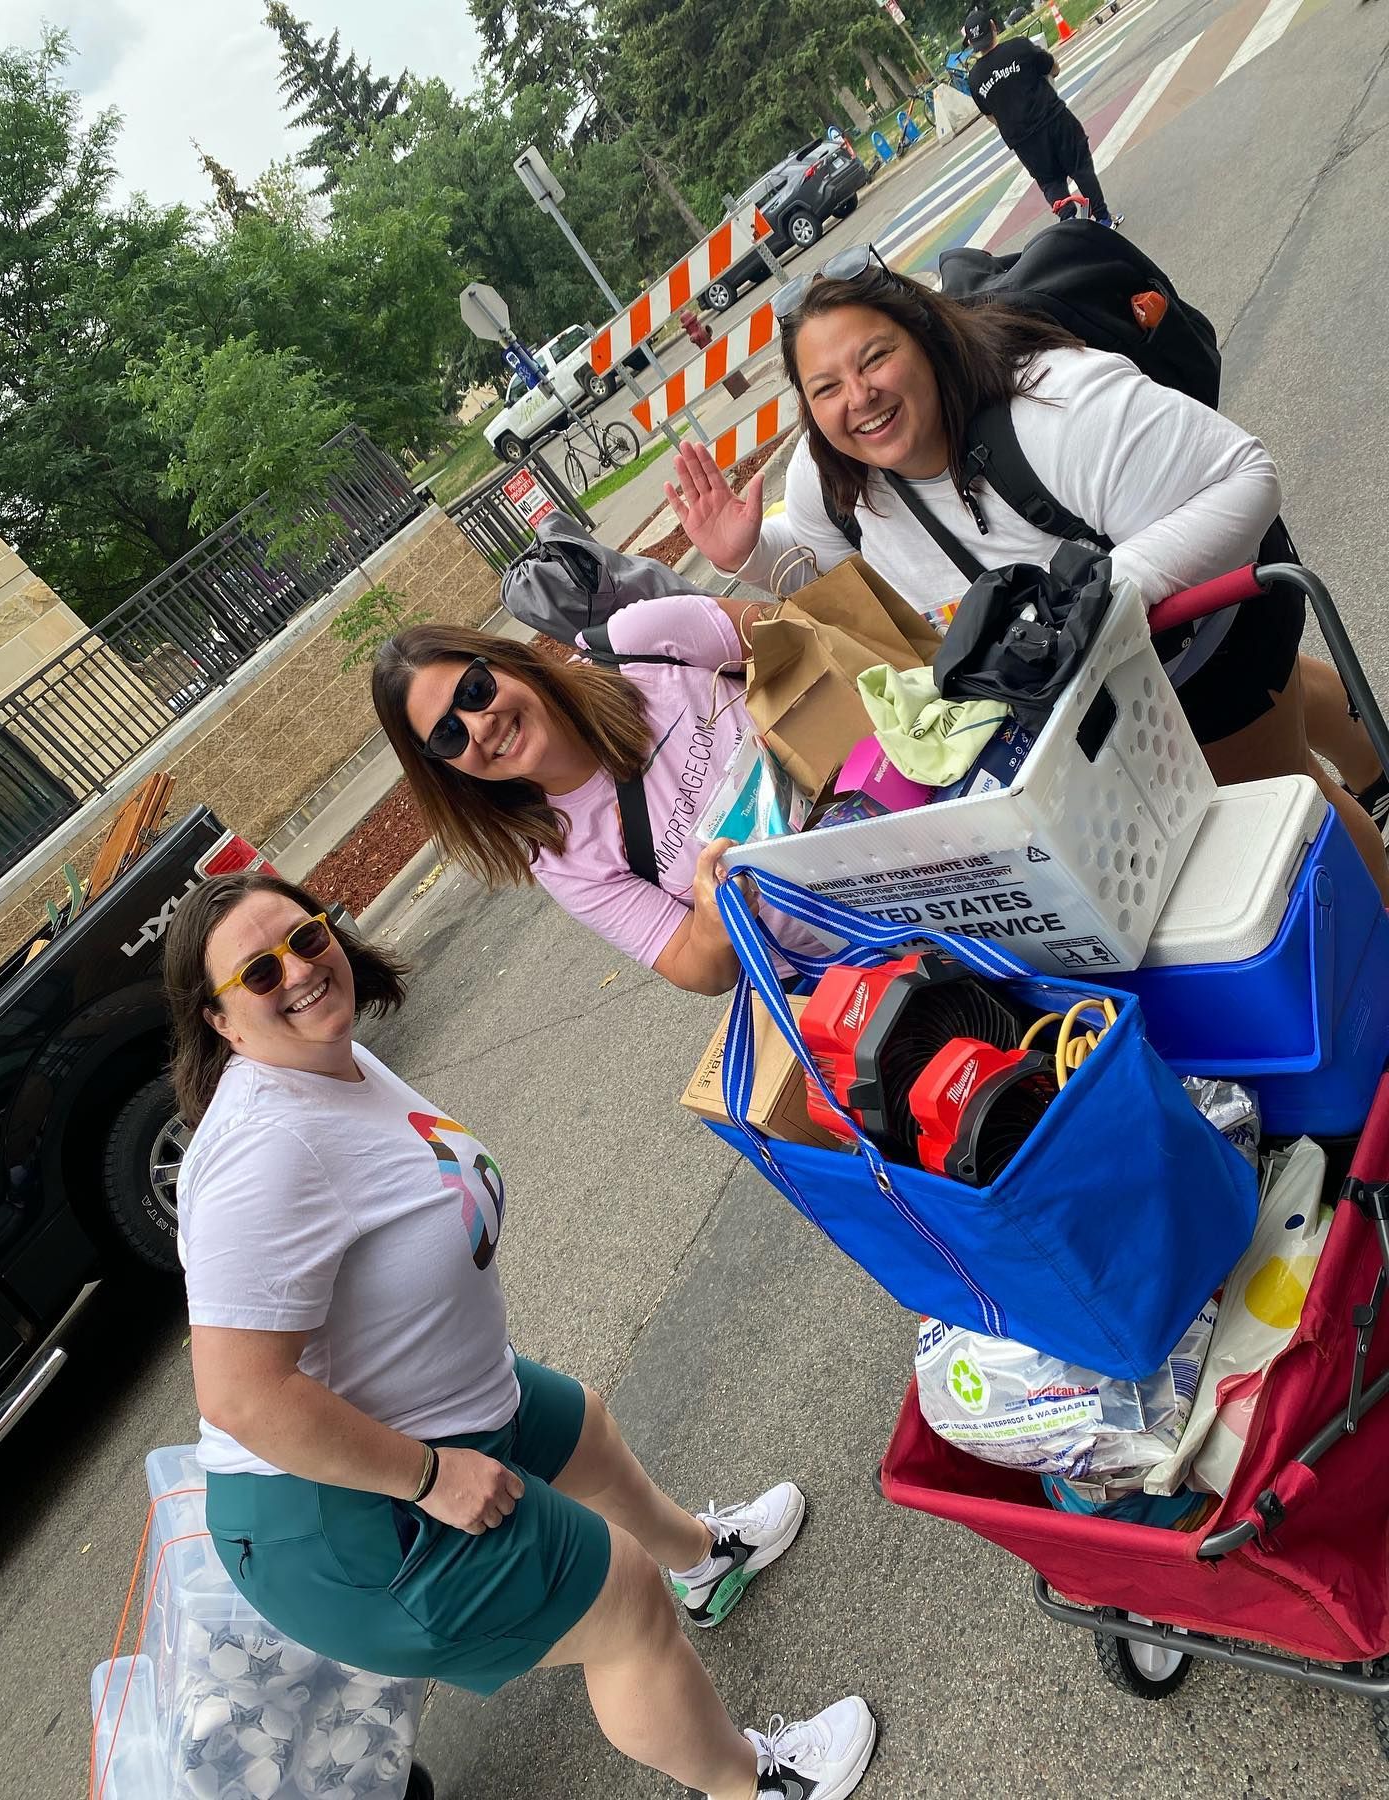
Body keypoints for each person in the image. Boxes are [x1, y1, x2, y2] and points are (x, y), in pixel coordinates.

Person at [166, 871, 877, 1800]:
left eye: (304, 938)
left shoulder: (328, 1062)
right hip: (342, 1519)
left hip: (430, 1407)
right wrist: (430, 1475)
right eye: (258, 973)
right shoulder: (264, 1153)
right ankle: (752, 1785)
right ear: (219, 1020)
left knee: (583, 1428)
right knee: (620, 1600)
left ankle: (705, 1562)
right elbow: (241, 1396)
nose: (298, 972)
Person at [660, 249, 1389, 899]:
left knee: (1283, 790)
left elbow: (1245, 476)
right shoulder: (837, 477)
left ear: (926, 337)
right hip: (1113, 655)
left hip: (1207, 627)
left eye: (874, 358)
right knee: (1282, 707)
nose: (859, 397)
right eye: (826, 388)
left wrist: (1109, 587)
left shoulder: (1049, 405)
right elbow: (823, 564)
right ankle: (1376, 767)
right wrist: (746, 554)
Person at [372, 606, 824, 995]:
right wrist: (714, 923)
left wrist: (746, 559)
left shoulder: (634, 645)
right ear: (445, 767)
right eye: (448, 735)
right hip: (843, 960)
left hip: (889, 795)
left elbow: (814, 639)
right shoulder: (563, 857)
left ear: (504, 662)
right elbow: (698, 970)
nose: (480, 725)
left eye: (473, 691)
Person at [962, 6, 1123, 228]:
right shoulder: (1020, 47)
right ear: (993, 27)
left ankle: (1071, 225)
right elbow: (1053, 69)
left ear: (971, 44)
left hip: (1024, 141)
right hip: (1054, 119)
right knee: (1080, 166)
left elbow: (991, 117)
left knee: (1050, 182)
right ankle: (1103, 219)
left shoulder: (975, 79)